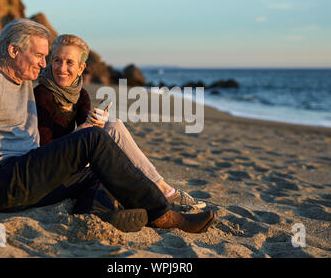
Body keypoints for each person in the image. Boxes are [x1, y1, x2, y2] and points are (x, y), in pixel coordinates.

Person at [0, 18, 215, 234]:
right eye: (40, 56)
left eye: (45, 57)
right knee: (93, 140)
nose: (44, 65)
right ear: (14, 51)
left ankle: (96, 214)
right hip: (0, 181)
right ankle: (165, 216)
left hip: (28, 176)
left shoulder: (24, 82)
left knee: (107, 168)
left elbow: (66, 92)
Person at [34, 34, 206, 211]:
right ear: (50, 61)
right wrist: (86, 129)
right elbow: (45, 147)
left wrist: (96, 123)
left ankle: (161, 189)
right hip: (49, 166)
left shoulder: (80, 95)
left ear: (80, 68)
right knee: (109, 130)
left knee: (112, 125)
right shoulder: (42, 94)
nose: (61, 68)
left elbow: (90, 133)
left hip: (72, 158)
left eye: (69, 62)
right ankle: (165, 192)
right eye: (57, 60)